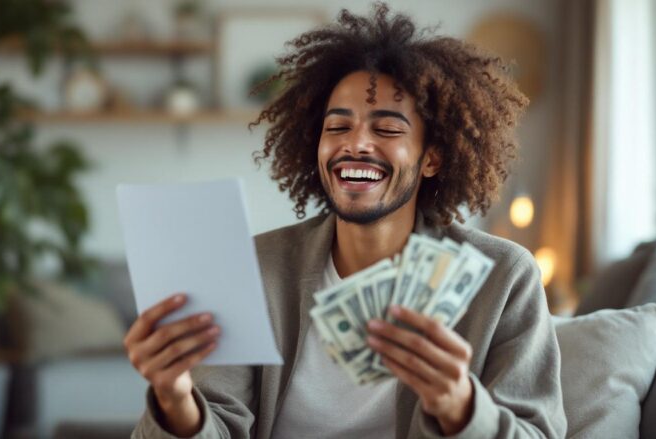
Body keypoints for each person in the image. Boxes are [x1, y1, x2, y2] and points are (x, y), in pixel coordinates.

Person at [126, 3, 566, 438]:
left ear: (431, 157)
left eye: (388, 130)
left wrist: (461, 406)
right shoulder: (253, 268)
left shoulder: (504, 278)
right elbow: (218, 426)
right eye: (337, 127)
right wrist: (175, 397)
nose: (355, 144)